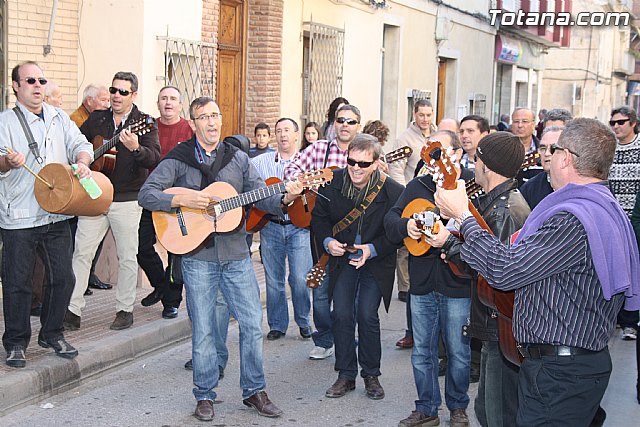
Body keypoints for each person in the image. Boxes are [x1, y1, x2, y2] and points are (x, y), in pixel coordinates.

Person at [434, 117, 640, 426]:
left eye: (553, 149)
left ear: (566, 157)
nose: (547, 156)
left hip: (560, 372)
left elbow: (504, 270)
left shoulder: (572, 219)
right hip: (570, 366)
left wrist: (464, 216)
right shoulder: (601, 205)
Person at [139, 96, 300, 421]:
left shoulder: (238, 159)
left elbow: (263, 198)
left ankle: (254, 390)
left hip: (237, 256)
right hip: (198, 259)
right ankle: (204, 395)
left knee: (253, 325)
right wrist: (183, 200)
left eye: (216, 115)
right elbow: (147, 192)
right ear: (194, 123)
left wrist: (287, 196)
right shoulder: (180, 158)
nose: (212, 122)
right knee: (205, 330)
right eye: (204, 117)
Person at [431, 132, 529, 427]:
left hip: (501, 326)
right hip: (494, 326)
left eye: (477, 159)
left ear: (487, 165)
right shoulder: (498, 203)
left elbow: (493, 270)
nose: (473, 165)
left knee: (496, 414)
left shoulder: (506, 211)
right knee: (487, 410)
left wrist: (448, 243)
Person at [0, 61, 93, 367]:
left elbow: (81, 144)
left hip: (57, 211)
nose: (37, 85)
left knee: (63, 278)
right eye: (30, 81)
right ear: (16, 86)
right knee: (17, 281)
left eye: (41, 80)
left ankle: (52, 333)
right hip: (20, 214)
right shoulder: (4, 122)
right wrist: (7, 164)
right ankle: (15, 342)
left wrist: (82, 160)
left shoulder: (58, 117)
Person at [385, 130, 473, 427]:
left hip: (457, 283)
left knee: (458, 351)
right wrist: (406, 226)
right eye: (429, 152)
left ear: (457, 155)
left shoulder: (470, 186)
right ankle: (426, 409)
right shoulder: (417, 185)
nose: (433, 159)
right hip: (421, 282)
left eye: (440, 152)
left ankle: (458, 407)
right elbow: (391, 220)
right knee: (422, 351)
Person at [64, 71, 160, 331]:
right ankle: (72, 310)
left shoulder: (145, 122)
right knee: (82, 252)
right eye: (113, 90)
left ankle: (124, 310)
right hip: (94, 195)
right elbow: (76, 144)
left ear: (134, 95)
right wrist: (81, 160)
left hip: (127, 199)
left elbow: (153, 158)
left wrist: (136, 149)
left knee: (127, 255)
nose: (116, 96)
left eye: (123, 92)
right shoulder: (97, 118)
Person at [312, 133, 402, 400]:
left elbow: (398, 232)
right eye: (352, 161)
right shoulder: (333, 182)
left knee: (366, 314)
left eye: (363, 164)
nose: (356, 168)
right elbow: (319, 219)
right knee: (341, 313)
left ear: (376, 163)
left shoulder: (392, 190)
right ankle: (346, 375)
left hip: (376, 261)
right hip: (344, 259)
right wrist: (328, 241)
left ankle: (371, 375)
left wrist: (372, 250)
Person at [284, 104, 363, 360]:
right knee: (319, 287)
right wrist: (304, 184)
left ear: (358, 126)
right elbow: (291, 169)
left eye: (351, 122)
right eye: (341, 120)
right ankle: (325, 338)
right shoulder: (319, 149)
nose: (345, 125)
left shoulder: (363, 153)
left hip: (353, 231)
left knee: (350, 289)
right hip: (320, 228)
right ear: (333, 124)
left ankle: (348, 337)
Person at [251, 117, 312, 341]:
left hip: (299, 228)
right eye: (278, 131)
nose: (283, 135)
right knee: (273, 279)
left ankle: (304, 321)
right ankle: (277, 324)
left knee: (299, 278)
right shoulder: (261, 162)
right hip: (271, 225)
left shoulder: (309, 162)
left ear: (297, 135)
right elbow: (249, 187)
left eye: (287, 130)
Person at [136, 86, 193, 319]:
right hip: (152, 197)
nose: (168, 103)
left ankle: (171, 301)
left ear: (180, 105)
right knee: (141, 247)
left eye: (172, 99)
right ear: (157, 103)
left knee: (174, 252)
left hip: (179, 200)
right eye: (163, 99)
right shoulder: (149, 128)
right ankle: (160, 285)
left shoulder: (189, 129)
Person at [389, 99, 436, 348]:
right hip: (411, 199)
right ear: (414, 114)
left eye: (429, 114)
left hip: (435, 203)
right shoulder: (404, 139)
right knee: (408, 255)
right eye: (421, 115)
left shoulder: (439, 136)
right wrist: (406, 193)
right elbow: (395, 168)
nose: (425, 119)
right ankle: (410, 327)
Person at [609, 106, 640, 341]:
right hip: (613, 220)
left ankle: (630, 321)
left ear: (633, 123)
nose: (617, 126)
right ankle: (617, 318)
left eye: (621, 122)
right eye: (613, 123)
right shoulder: (609, 149)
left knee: (633, 272)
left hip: (635, 220)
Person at [520, 126, 563, 210]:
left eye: (553, 148)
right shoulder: (530, 188)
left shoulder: (579, 185)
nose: (547, 153)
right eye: (543, 148)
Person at [511, 107, 542, 185]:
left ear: (533, 124)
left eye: (525, 121)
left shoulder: (543, 151)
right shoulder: (501, 150)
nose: (520, 125)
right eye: (516, 121)